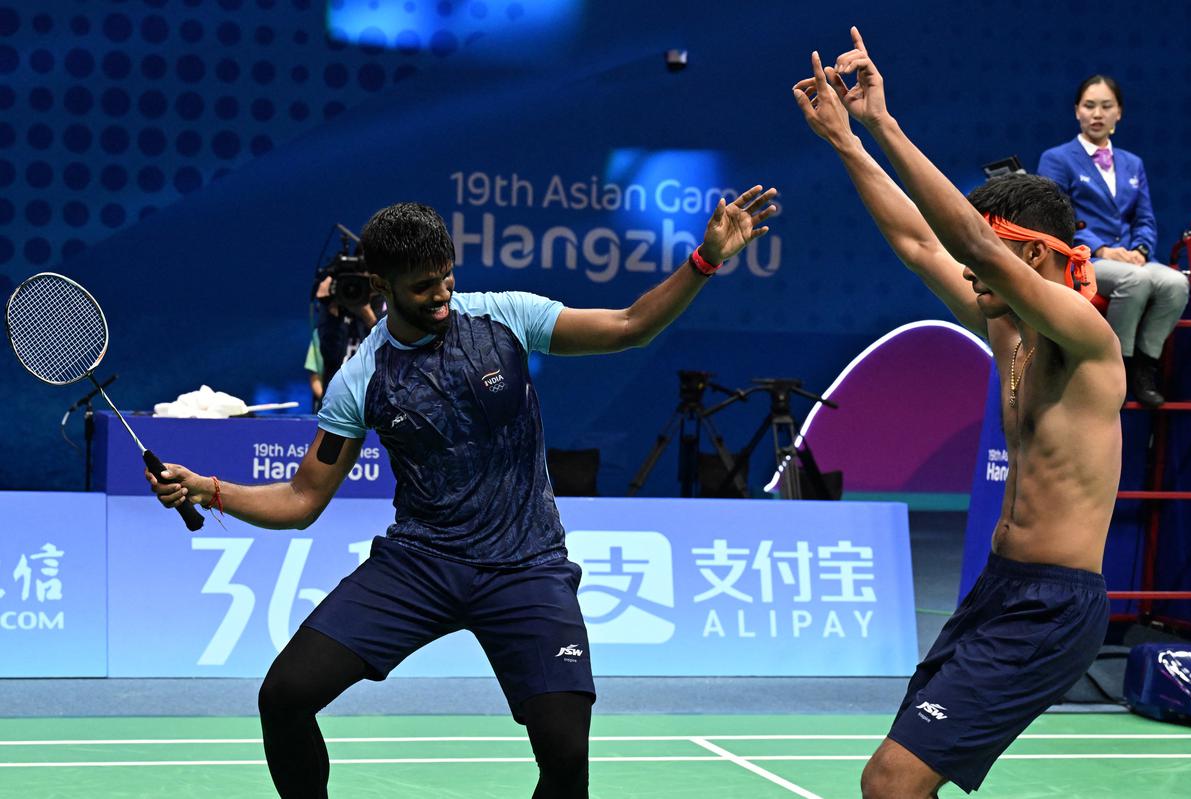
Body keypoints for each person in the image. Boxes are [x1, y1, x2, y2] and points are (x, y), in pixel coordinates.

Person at [146, 192, 776, 798]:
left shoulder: (503, 317)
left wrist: (704, 261)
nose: (442, 294)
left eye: (446, 276)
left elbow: (629, 326)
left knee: (567, 757)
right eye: (423, 286)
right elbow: (301, 500)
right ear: (383, 285)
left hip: (527, 566)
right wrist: (211, 489)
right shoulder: (360, 378)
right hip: (420, 565)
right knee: (283, 697)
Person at [794, 29, 1121, 798]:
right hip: (999, 587)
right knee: (899, 780)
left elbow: (966, 238)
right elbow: (917, 240)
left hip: (1052, 608)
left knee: (891, 781)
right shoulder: (1004, 325)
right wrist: (845, 140)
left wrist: (884, 122)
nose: (972, 271)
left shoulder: (1084, 336)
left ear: (1034, 257)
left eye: (994, 258)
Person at [1038, 75, 1189, 407]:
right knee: (1134, 281)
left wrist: (1141, 250)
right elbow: (1056, 215)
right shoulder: (1057, 159)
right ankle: (1115, 368)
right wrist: (1103, 249)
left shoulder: (1133, 163)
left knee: (1175, 283)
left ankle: (1144, 366)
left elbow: (1145, 219)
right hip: (1083, 259)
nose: (1097, 114)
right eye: (1089, 105)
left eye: (1106, 106)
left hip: (1130, 259)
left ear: (1118, 113)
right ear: (1077, 110)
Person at [305, 275, 384, 412]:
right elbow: (315, 378)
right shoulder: (324, 331)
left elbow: (390, 352)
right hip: (333, 410)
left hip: (370, 410)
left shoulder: (382, 324)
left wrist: (366, 313)